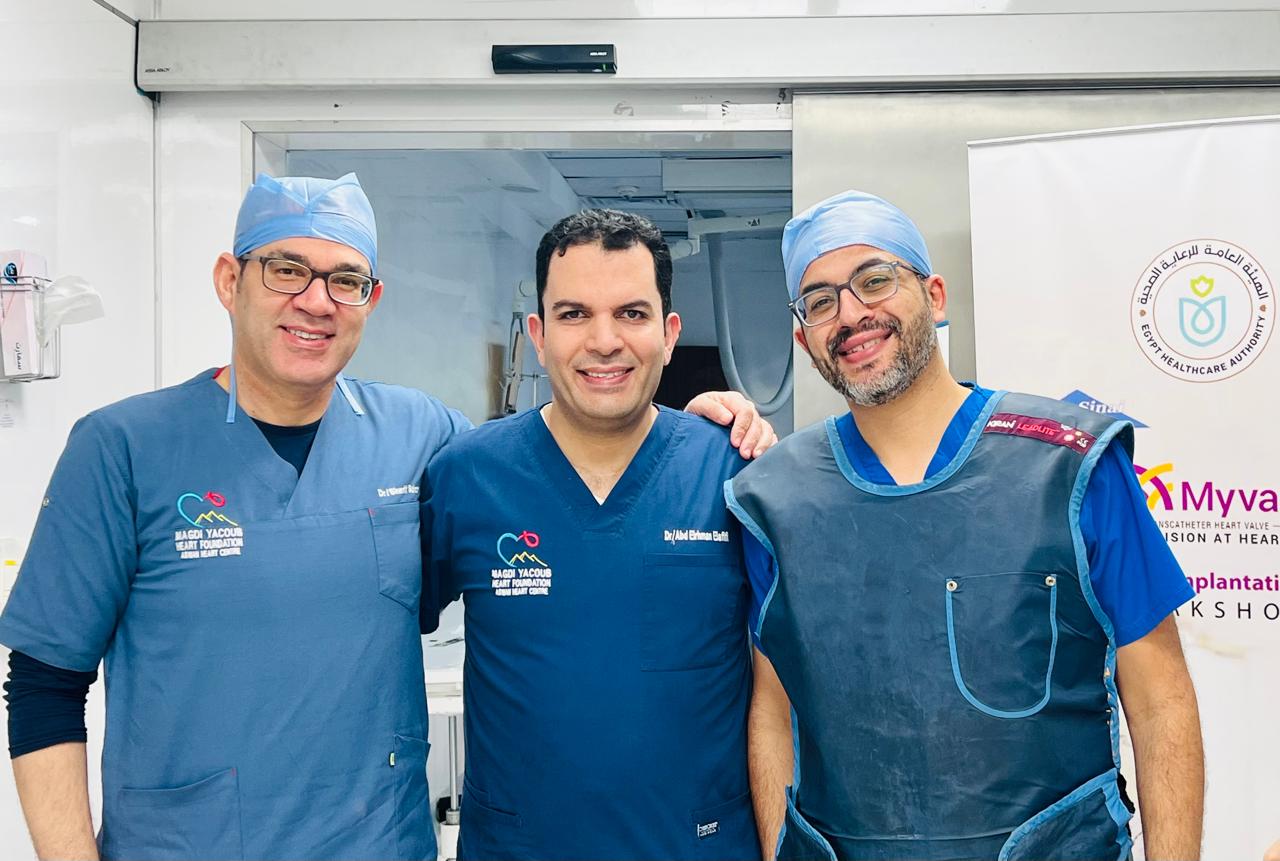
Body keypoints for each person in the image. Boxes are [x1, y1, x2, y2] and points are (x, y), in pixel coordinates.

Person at [0, 175, 772, 861]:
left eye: (345, 279)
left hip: (380, 840)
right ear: (230, 280)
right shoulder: (124, 448)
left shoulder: (422, 438)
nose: (316, 300)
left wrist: (712, 421)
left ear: (370, 299)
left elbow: (561, 465)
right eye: (286, 269)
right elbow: (41, 684)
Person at [725, 190, 1205, 861]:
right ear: (804, 338)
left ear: (935, 296)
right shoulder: (772, 498)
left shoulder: (1072, 466)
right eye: (820, 301)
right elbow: (774, 711)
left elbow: (1160, 699)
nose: (851, 314)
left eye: (875, 280)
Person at [424, 209, 762, 861]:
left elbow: (785, 683)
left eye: (631, 313)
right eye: (574, 313)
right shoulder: (467, 476)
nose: (604, 341)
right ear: (539, 333)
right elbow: (378, 635)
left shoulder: (733, 472)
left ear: (669, 334)